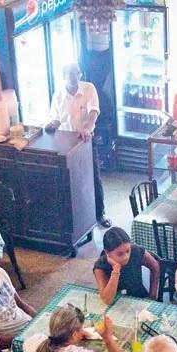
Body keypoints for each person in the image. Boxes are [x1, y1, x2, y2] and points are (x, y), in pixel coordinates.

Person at [46, 63, 109, 228]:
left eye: (76, 74)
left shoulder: (89, 89)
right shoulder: (58, 95)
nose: (73, 77)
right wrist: (51, 124)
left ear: (80, 74)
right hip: (66, 145)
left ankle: (100, 213)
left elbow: (93, 111)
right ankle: (77, 218)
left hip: (86, 141)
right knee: (70, 181)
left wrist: (87, 128)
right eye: (69, 74)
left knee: (93, 177)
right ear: (64, 76)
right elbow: (56, 118)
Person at [92, 228, 160, 304]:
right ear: (107, 252)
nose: (126, 257)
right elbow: (107, 300)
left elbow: (155, 266)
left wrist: (152, 295)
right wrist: (116, 270)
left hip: (139, 297)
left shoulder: (136, 251)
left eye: (128, 251)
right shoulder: (100, 267)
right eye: (120, 254)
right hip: (115, 303)